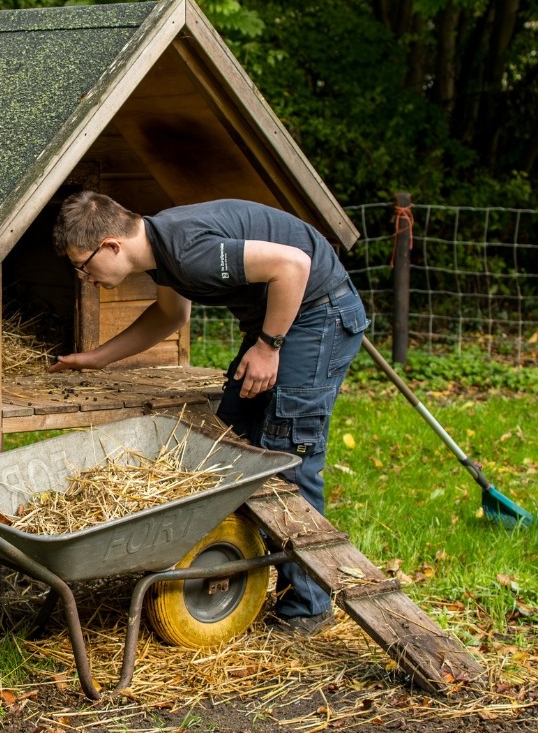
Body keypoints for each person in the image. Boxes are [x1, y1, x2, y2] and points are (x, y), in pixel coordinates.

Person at [47, 191, 367, 635]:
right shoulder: (160, 250)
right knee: (230, 435)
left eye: (83, 265)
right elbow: (168, 314)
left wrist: (268, 347)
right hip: (280, 322)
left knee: (286, 452)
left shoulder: (187, 250)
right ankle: (238, 564)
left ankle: (309, 605)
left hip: (317, 316)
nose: (85, 277)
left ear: (111, 246)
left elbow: (293, 266)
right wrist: (99, 357)